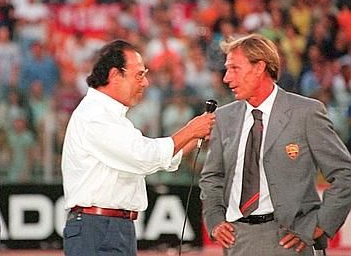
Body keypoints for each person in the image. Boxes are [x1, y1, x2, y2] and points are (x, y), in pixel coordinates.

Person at [199, 34, 351, 255]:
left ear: (260, 67)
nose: (226, 78)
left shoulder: (306, 113)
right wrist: (215, 220)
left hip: (291, 239)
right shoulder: (224, 117)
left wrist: (319, 226)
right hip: (238, 240)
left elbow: (345, 173)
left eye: (234, 69)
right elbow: (212, 177)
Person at [61, 40, 215, 256]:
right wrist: (190, 130)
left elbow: (147, 160)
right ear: (115, 75)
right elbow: (144, 156)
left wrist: (197, 137)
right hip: (97, 227)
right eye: (139, 75)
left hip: (111, 226)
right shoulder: (95, 115)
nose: (145, 83)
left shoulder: (111, 116)